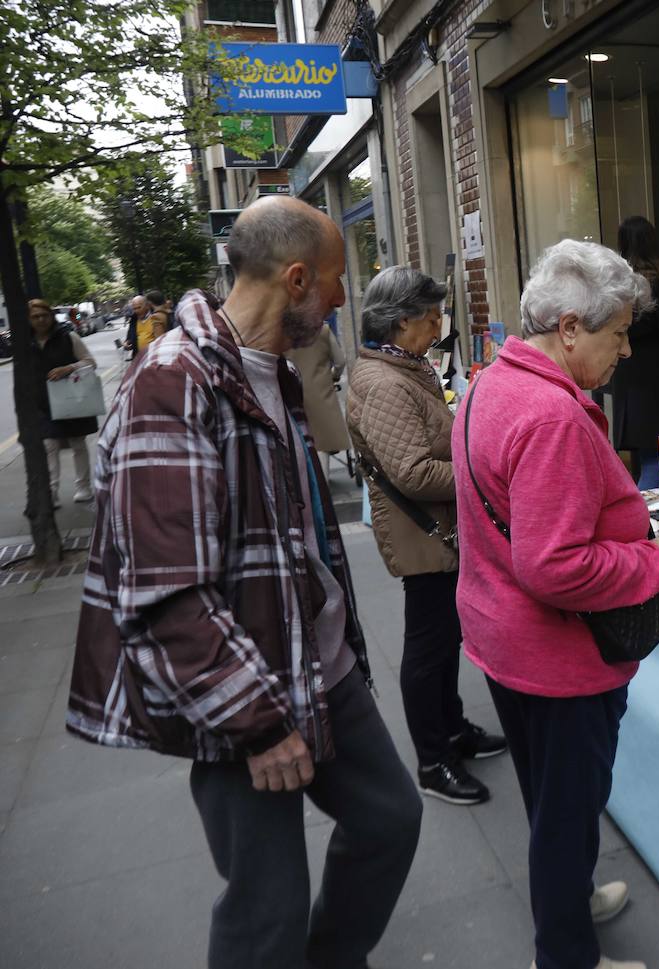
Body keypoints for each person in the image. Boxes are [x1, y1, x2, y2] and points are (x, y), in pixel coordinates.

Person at [67, 195, 422, 969]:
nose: (338, 299)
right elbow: (167, 593)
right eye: (332, 282)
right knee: (267, 909)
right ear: (295, 279)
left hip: (317, 672)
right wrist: (257, 724)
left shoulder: (270, 371)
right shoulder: (172, 383)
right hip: (243, 697)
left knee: (390, 820)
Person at [455, 239, 659, 969]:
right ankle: (566, 955)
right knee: (565, 811)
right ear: (573, 327)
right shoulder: (551, 415)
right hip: (555, 659)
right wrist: (649, 559)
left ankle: (570, 901)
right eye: (619, 334)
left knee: (551, 802)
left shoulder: (491, 381)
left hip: (503, 639)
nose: (628, 351)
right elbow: (553, 565)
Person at [347, 266, 507, 806]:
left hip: (436, 527)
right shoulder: (386, 382)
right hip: (425, 533)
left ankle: (454, 730)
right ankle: (433, 760)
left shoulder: (402, 367)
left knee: (443, 641)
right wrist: (481, 471)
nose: (438, 325)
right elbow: (412, 472)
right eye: (431, 317)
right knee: (428, 646)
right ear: (400, 323)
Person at [609, 216, 659, 489]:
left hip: (630, 387)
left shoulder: (618, 290)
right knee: (658, 464)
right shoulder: (656, 287)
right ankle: (647, 524)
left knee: (646, 460)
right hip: (658, 390)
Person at [28, 298, 98, 505]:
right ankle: (51, 492)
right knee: (49, 445)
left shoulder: (69, 337)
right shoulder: (25, 343)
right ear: (28, 320)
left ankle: (83, 487)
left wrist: (68, 368)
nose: (41, 320)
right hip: (42, 403)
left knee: (77, 443)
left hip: (71, 400)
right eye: (35, 317)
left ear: (51, 316)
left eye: (45, 315)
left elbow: (90, 362)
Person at [285, 319, 351, 459]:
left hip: (293, 393)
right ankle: (324, 479)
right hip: (321, 392)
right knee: (323, 446)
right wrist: (333, 376)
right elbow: (340, 362)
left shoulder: (283, 333)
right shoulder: (323, 330)